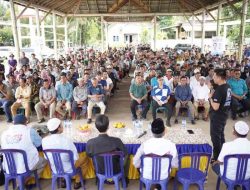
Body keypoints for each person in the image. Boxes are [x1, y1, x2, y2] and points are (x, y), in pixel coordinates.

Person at [42, 118, 89, 189]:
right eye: (61, 125)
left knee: (62, 160)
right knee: (85, 158)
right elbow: (76, 157)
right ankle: (78, 181)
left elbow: (46, 157)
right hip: (69, 168)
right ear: (58, 128)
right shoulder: (66, 140)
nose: (62, 126)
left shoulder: (44, 140)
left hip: (55, 169)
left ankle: (63, 180)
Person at [86, 115, 128, 179]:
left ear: (96, 127)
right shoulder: (117, 141)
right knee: (127, 155)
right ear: (108, 126)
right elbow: (125, 153)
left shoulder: (90, 142)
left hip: (99, 170)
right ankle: (124, 178)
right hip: (116, 170)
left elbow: (89, 155)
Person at [209, 68, 232, 161]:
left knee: (215, 137)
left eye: (214, 76)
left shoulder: (220, 89)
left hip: (217, 116)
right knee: (221, 135)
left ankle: (217, 157)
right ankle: (222, 154)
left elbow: (215, 107)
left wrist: (210, 98)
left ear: (219, 77)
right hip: (224, 114)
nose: (213, 78)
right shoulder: (228, 86)